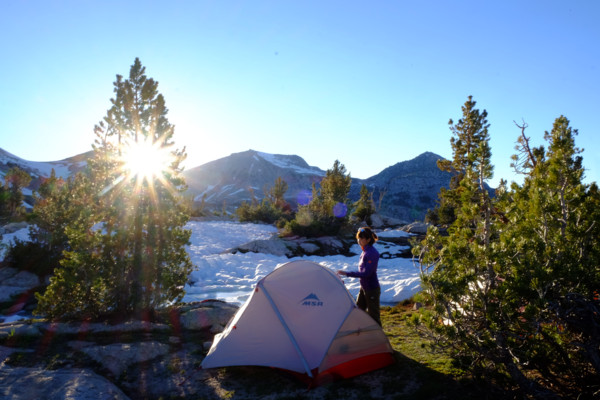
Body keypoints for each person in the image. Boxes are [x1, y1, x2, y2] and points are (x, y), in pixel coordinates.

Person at [338, 227, 381, 326]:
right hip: (364, 287)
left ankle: (378, 339)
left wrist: (347, 273)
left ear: (368, 240)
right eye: (358, 238)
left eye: (362, 238)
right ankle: (360, 335)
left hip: (372, 288)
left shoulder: (372, 253)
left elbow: (367, 273)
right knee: (359, 311)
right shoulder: (365, 252)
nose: (359, 241)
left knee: (374, 316)